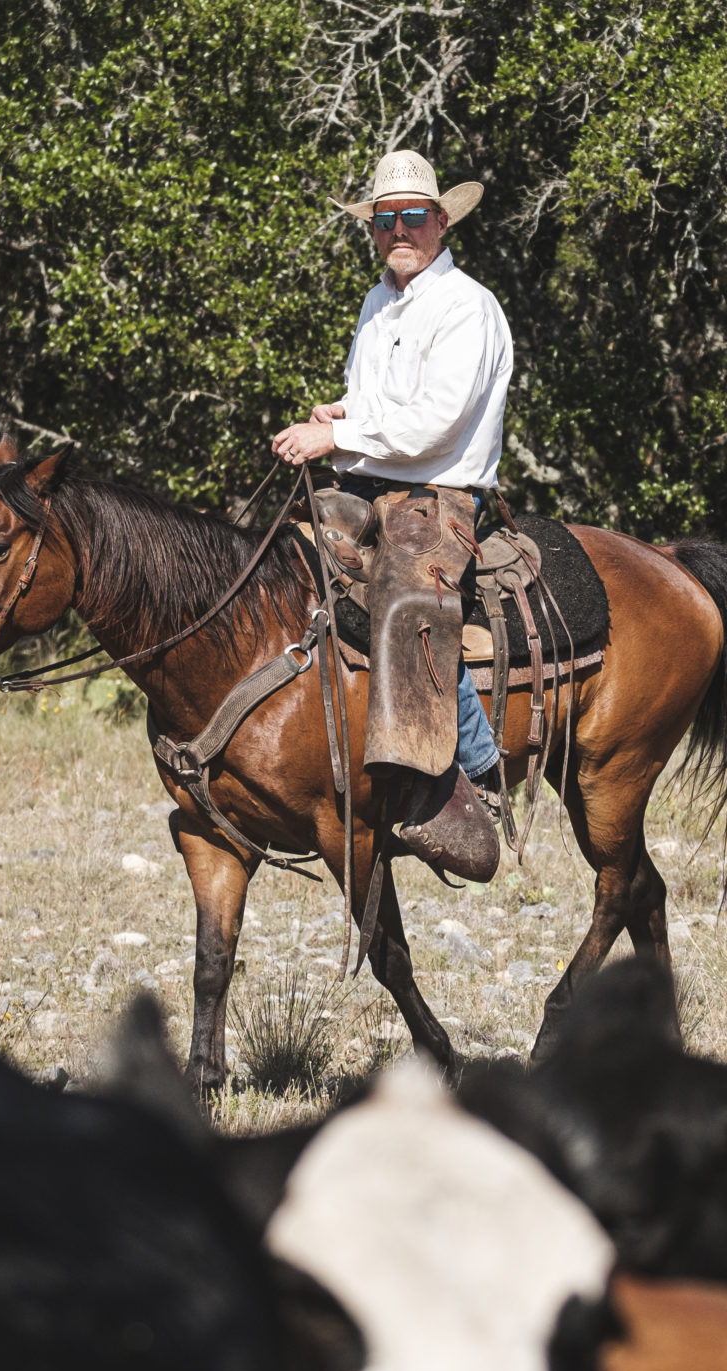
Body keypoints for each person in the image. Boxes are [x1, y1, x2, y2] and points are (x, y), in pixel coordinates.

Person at [273, 149, 508, 881]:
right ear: (374, 229)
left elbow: (437, 424)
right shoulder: (380, 302)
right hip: (370, 484)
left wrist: (336, 434)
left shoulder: (467, 305)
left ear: (441, 221)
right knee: (275, 556)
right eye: (385, 220)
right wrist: (346, 410)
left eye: (412, 217)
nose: (398, 231)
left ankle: (474, 771)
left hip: (438, 497)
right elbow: (382, 401)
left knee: (409, 598)